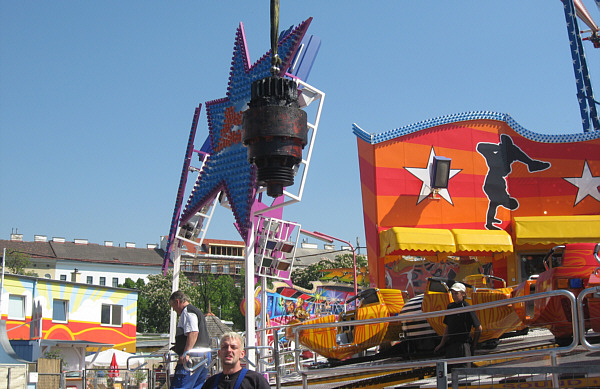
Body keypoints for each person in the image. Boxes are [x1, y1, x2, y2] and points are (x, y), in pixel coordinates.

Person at [434, 282, 482, 369]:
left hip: (463, 346)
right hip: (451, 346)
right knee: (449, 373)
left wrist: (474, 345)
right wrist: (441, 344)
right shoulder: (450, 307)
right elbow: (447, 327)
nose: (454, 296)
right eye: (452, 293)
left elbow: (478, 327)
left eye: (456, 293)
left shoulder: (467, 307)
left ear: (463, 294)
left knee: (464, 374)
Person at [169, 290, 211, 389]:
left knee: (180, 385)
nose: (174, 310)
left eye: (173, 307)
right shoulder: (196, 311)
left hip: (194, 355)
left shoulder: (188, 312)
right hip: (205, 353)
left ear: (177, 302)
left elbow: (193, 332)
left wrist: (186, 353)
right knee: (197, 385)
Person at [202, 332, 270, 389]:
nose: (228, 350)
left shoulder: (255, 381)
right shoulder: (211, 383)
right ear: (219, 353)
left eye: (233, 347)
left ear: (242, 354)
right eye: (225, 347)